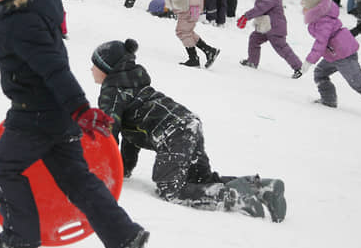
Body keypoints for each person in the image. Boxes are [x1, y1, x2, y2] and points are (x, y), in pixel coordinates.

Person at [0, 0, 149, 248]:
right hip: (53, 112)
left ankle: (20, 237)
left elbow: (54, 68)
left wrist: (81, 109)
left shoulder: (21, 22)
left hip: (35, 112)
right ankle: (124, 235)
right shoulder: (32, 6)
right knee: (76, 179)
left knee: (3, 166)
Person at [91, 38, 286, 222]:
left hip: (171, 132)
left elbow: (108, 129)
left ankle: (234, 198)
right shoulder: (132, 85)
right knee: (200, 180)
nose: (91, 69)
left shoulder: (113, 92)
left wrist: (100, 168)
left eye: (95, 65)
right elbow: (130, 138)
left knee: (171, 189)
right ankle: (261, 188)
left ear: (108, 69)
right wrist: (122, 169)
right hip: (188, 123)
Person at [237, 0, 303, 78]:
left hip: (275, 28)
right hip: (266, 26)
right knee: (254, 39)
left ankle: (298, 67)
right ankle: (252, 61)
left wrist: (245, 17)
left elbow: (260, 9)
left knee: (281, 47)